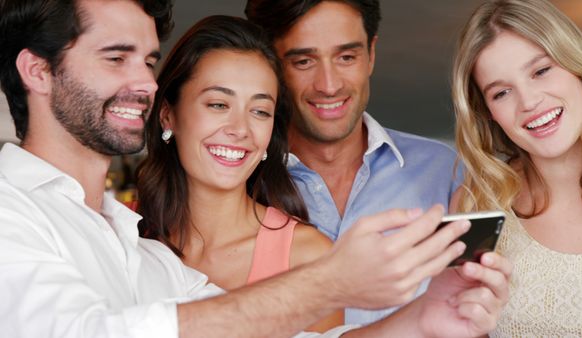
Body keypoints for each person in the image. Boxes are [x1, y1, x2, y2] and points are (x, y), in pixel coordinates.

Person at [0, 0, 511, 337]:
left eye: (149, 62)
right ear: (38, 71)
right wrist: (330, 283)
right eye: (117, 58)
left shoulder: (136, 246)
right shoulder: (11, 209)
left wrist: (424, 318)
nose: (146, 83)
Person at [245, 0, 463, 324]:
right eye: (304, 61)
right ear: (271, 66)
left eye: (347, 57)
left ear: (371, 54)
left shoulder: (449, 172)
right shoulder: (240, 185)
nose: (329, 85)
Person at [136, 15, 343, 332]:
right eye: (218, 104)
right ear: (168, 115)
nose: (240, 129)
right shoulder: (122, 237)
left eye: (260, 111)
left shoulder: (309, 259)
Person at [450, 0, 582, 336]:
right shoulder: (475, 208)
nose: (529, 102)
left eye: (541, 71)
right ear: (488, 112)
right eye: (502, 92)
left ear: (578, 67)